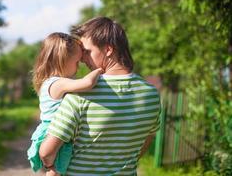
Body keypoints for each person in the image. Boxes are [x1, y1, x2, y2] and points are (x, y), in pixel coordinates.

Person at [39, 17, 161, 175]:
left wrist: (49, 166)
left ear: (108, 50)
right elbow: (147, 140)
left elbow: (46, 153)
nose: (83, 59)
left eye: (87, 52)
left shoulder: (80, 95)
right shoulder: (151, 95)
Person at [27, 32, 102, 176]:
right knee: (55, 171)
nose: (78, 67)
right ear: (63, 60)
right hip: (54, 132)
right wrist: (100, 70)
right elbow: (87, 83)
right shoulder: (58, 83)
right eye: (76, 62)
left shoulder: (50, 82)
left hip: (53, 131)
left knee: (56, 170)